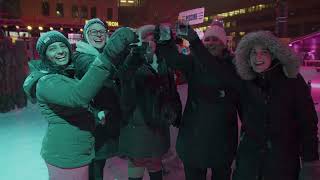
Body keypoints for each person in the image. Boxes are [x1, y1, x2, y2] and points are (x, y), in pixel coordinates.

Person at [184, 30, 320, 180]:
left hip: (281, 163)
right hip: (248, 163)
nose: (258, 57)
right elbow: (215, 69)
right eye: (253, 53)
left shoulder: (292, 80)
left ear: (274, 54)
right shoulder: (245, 80)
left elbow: (307, 122)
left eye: (264, 52)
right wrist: (195, 42)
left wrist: (310, 161)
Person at [23, 28, 138, 180]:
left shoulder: (64, 73)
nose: (60, 51)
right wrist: (108, 55)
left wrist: (95, 113)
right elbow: (77, 96)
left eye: (63, 46)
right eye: (52, 48)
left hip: (77, 152)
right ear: (44, 56)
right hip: (65, 155)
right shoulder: (46, 81)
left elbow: (73, 105)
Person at [155, 20, 239, 180]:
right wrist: (165, 42)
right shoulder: (194, 61)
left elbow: (216, 72)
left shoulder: (232, 66)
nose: (211, 43)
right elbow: (174, 59)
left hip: (222, 140)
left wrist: (195, 42)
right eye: (207, 39)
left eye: (215, 39)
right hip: (194, 137)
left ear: (224, 44)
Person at [116, 24, 182, 180]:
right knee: (136, 169)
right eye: (143, 40)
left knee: (156, 167)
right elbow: (124, 94)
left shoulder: (163, 63)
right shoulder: (129, 63)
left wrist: (176, 110)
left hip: (158, 130)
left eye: (152, 39)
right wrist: (131, 63)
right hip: (137, 131)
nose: (148, 43)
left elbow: (172, 91)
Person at [72, 18, 120, 180]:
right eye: (93, 32)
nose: (99, 35)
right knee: (94, 168)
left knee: (99, 164)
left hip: (103, 123)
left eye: (102, 32)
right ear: (86, 35)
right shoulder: (82, 56)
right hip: (91, 123)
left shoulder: (102, 54)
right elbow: (99, 72)